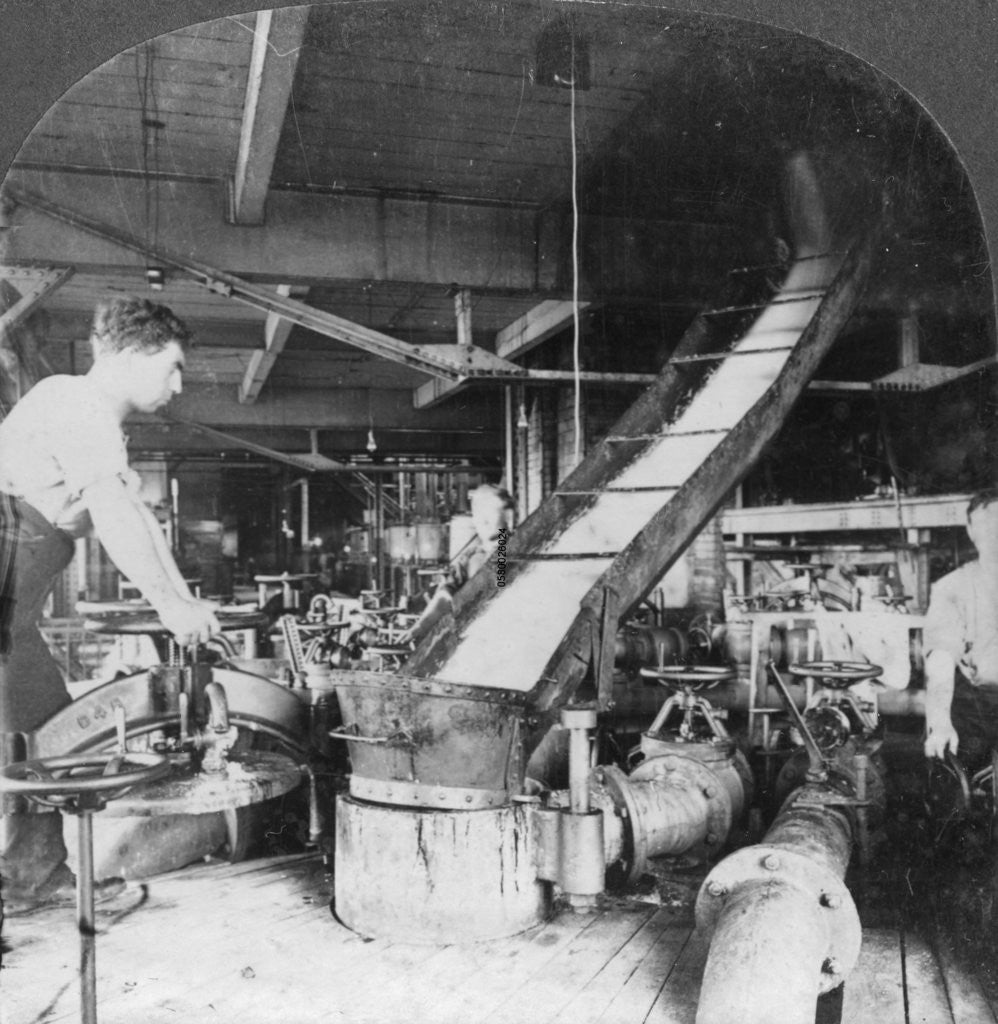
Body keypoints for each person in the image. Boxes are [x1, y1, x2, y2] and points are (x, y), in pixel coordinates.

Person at [0, 296, 219, 912]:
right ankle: (28, 879)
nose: (178, 386)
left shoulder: (94, 420)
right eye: (172, 367)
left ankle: (32, 877)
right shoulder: (75, 403)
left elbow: (140, 518)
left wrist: (182, 600)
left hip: (13, 593)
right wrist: (170, 607)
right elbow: (115, 513)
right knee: (34, 731)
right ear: (128, 356)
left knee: (40, 725)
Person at [923, 486, 998, 767]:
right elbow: (941, 657)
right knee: (959, 788)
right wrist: (940, 721)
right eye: (986, 524)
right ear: (970, 530)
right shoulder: (952, 587)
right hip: (975, 711)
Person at [403, 483, 514, 645]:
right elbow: (446, 592)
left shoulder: (515, 547)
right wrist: (420, 626)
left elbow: (500, 578)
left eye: (489, 513)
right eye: (480, 514)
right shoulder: (472, 556)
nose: (482, 520)